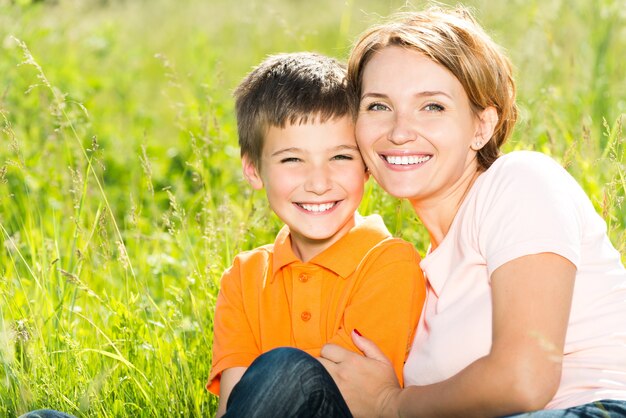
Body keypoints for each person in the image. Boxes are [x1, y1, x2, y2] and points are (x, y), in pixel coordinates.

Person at [220, 6, 626, 418]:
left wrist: (391, 404)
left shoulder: (520, 181)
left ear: (481, 126)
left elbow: (525, 379)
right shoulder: (422, 282)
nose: (399, 131)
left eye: (432, 106)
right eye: (378, 106)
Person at [207, 52, 426, 417]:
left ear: (368, 166)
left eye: (341, 157)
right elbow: (235, 404)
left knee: (287, 370)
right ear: (253, 169)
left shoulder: (390, 263)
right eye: (292, 160)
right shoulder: (244, 277)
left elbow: (348, 388)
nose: (320, 183)